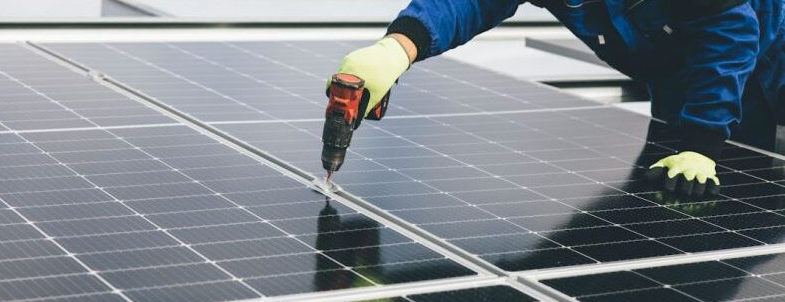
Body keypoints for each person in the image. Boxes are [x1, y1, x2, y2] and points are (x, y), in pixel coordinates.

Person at [329, 0, 784, 198]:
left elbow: (731, 35)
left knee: (737, 187)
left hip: (766, 59)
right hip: (678, 81)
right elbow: (467, 2)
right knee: (679, 209)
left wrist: (703, 142)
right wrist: (399, 47)